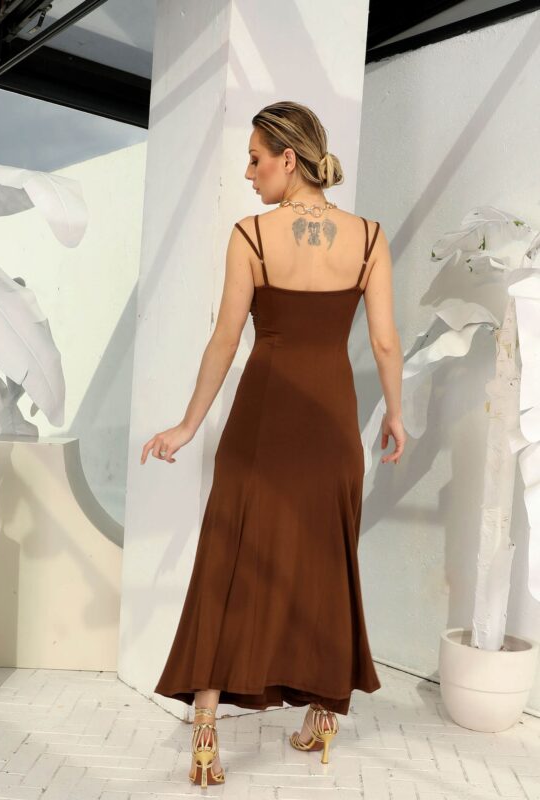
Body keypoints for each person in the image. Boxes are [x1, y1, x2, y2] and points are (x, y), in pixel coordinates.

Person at [141, 100, 406, 788]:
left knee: (230, 558)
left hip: (261, 422)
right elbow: (384, 342)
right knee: (325, 562)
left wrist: (187, 425)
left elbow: (225, 341)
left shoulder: (251, 236)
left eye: (255, 159)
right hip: (332, 424)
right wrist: (396, 414)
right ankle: (323, 715)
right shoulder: (370, 238)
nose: (249, 172)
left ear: (289, 159)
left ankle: (206, 724)